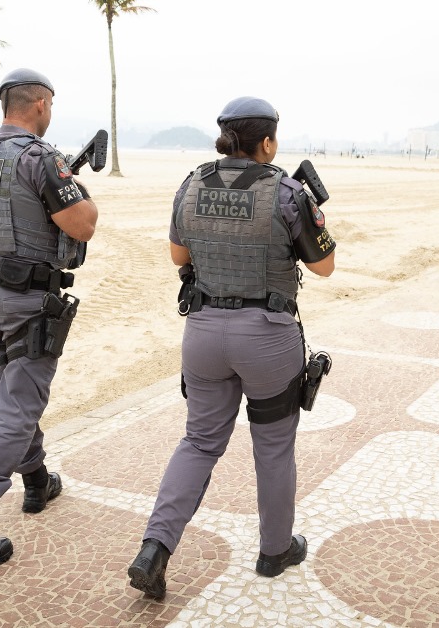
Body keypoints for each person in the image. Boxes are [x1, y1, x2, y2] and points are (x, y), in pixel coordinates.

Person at [127, 96, 337, 600]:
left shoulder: (191, 183)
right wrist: (319, 220)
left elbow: (179, 254)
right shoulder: (287, 192)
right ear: (266, 142)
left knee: (198, 442)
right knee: (273, 447)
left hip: (202, 333)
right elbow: (323, 267)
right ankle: (274, 550)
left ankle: (155, 548)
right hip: (266, 337)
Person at [0, 68, 99, 566]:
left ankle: (35, 482)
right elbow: (83, 226)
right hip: (30, 297)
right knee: (19, 404)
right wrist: (75, 191)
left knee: (13, 393)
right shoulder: (41, 159)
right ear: (42, 105)